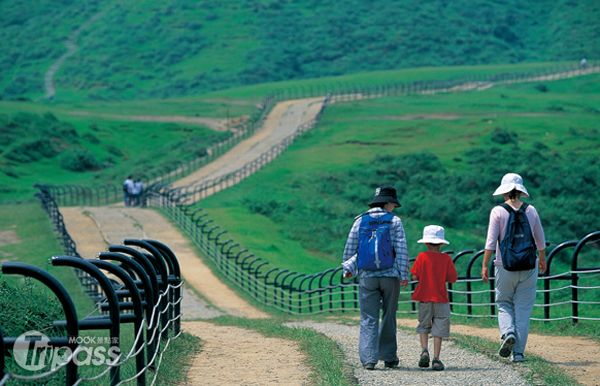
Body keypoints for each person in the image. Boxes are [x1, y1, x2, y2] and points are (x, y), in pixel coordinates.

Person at [342, 186, 409, 370]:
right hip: (390, 275)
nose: (393, 208)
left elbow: (351, 249)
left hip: (366, 276)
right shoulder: (394, 221)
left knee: (368, 317)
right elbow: (401, 249)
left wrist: (348, 268)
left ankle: (369, 360)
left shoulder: (359, 221)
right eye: (393, 204)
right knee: (388, 316)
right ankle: (388, 357)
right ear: (387, 203)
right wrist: (403, 274)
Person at [481, 173, 546, 363]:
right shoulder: (531, 210)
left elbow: (490, 243)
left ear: (504, 191)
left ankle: (508, 332)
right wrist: (542, 260)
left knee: (503, 303)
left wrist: (485, 265)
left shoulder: (498, 211)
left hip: (504, 266)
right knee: (523, 309)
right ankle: (518, 353)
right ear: (520, 191)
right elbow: (540, 241)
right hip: (528, 265)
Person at [410, 225, 457, 371]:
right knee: (439, 328)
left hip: (424, 297)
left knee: (423, 325)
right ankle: (436, 359)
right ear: (442, 243)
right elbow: (452, 278)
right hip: (441, 298)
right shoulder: (446, 259)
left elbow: (414, 275)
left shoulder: (422, 257)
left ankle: (424, 350)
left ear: (425, 243)